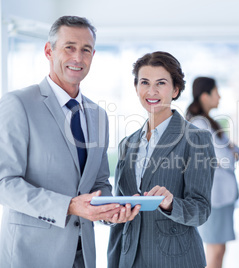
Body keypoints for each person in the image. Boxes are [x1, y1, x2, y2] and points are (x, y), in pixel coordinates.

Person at [0, 16, 138, 268]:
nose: (78, 57)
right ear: (48, 51)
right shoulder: (18, 104)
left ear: (93, 55)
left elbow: (97, 182)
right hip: (30, 254)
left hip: (83, 254)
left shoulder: (98, 115)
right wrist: (69, 206)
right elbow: (4, 183)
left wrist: (110, 211)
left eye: (86, 50)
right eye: (69, 47)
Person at [107, 51, 216, 268]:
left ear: (175, 90)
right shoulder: (127, 144)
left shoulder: (196, 139)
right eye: (145, 82)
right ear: (136, 87)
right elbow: (120, 211)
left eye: (161, 83)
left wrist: (170, 204)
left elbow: (201, 210)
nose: (151, 91)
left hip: (175, 258)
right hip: (129, 258)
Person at [186, 77, 239, 268]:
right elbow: (225, 157)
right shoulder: (200, 123)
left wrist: (229, 152)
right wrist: (230, 152)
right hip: (214, 197)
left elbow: (228, 154)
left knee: (218, 250)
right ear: (204, 96)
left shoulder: (208, 122)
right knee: (215, 251)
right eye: (216, 92)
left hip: (220, 196)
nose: (220, 96)